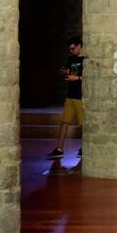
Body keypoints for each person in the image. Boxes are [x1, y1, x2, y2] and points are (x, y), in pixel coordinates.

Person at [48, 36, 84, 173]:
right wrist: (64, 72)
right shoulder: (71, 59)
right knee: (64, 122)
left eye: (73, 48)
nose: (71, 50)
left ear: (80, 46)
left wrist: (77, 78)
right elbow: (66, 71)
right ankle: (59, 149)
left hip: (80, 96)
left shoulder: (85, 60)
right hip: (70, 95)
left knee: (82, 124)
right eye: (69, 48)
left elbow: (90, 77)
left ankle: (84, 147)